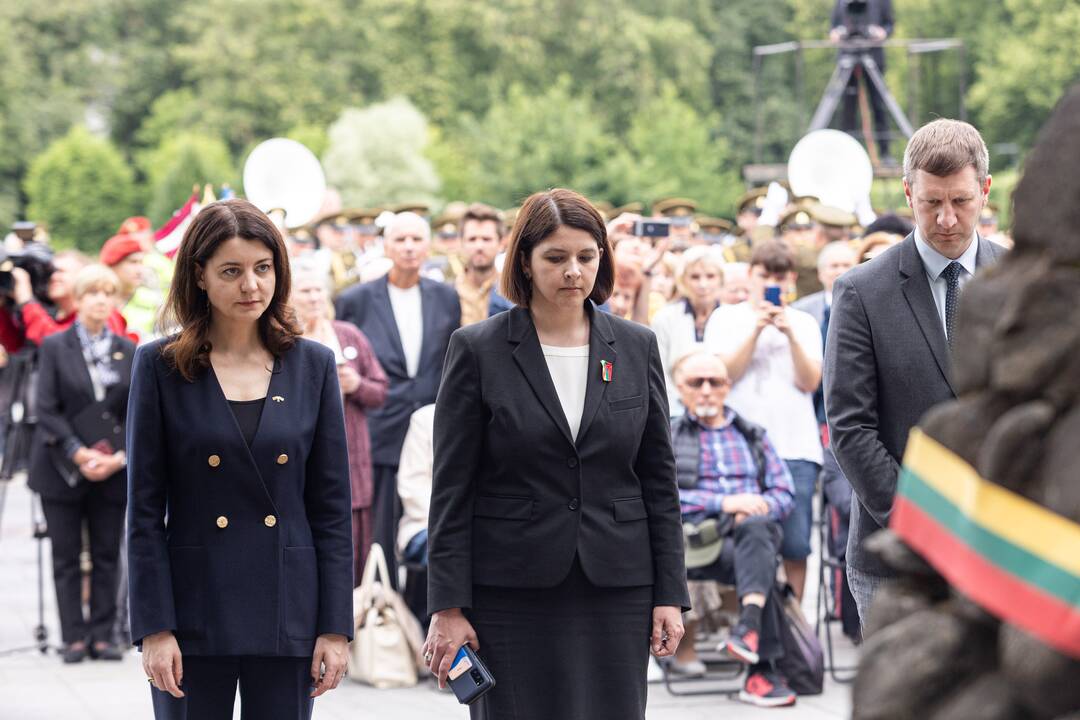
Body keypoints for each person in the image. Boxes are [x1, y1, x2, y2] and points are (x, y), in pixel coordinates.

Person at [423, 188, 690, 720]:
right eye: (555, 258)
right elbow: (451, 490)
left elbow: (659, 479)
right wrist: (447, 606)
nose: (573, 271)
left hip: (617, 583)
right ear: (524, 260)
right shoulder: (477, 349)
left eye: (586, 257)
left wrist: (670, 593)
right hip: (510, 590)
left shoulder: (637, 346)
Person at [126, 199, 353, 719]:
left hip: (287, 608)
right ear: (199, 276)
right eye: (231, 271)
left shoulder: (312, 365)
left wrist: (335, 627)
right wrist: (154, 629)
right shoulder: (159, 367)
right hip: (191, 612)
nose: (251, 285)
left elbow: (332, 509)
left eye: (263, 268)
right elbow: (142, 512)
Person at [824, 119, 1006, 624]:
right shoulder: (862, 291)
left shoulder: (1016, 283)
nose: (946, 219)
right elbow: (850, 428)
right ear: (909, 193)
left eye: (961, 201)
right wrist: (926, 526)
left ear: (985, 191)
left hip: (1004, 548)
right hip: (895, 556)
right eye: (931, 203)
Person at [335, 211, 461, 589]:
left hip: (430, 429)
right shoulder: (356, 299)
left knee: (430, 525)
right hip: (380, 427)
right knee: (380, 534)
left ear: (428, 246)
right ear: (386, 245)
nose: (408, 248)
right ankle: (378, 618)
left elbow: (450, 361)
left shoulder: (445, 297)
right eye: (400, 239)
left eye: (416, 239)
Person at [668, 350, 797, 708]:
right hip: (694, 543)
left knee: (757, 532)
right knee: (762, 561)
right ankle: (762, 672)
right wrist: (725, 503)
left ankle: (748, 629)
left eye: (716, 382)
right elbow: (661, 495)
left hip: (746, 539)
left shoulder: (753, 435)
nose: (707, 390)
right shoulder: (668, 435)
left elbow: (784, 492)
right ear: (681, 389)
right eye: (697, 382)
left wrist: (758, 506)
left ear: (728, 386)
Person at [704, 242, 823, 601]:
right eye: (764, 275)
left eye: (779, 276)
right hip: (739, 447)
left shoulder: (803, 321)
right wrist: (755, 330)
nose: (770, 282)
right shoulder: (726, 317)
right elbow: (723, 375)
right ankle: (749, 618)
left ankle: (794, 623)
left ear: (789, 280)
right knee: (744, 538)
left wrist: (787, 333)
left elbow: (810, 382)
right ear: (751, 275)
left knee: (796, 542)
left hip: (795, 445)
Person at [30, 264, 135, 663]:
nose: (101, 300)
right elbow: (46, 409)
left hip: (112, 470)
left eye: (108, 293)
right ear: (78, 299)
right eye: (92, 292)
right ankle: (73, 636)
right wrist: (78, 451)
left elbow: (134, 411)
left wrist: (118, 456)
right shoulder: (56, 347)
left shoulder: (128, 350)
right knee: (67, 555)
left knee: (108, 553)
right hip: (61, 467)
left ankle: (104, 635)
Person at [291, 264, 388, 584]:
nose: (315, 297)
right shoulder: (284, 341)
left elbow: (380, 391)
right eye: (306, 291)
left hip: (352, 465)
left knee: (353, 557)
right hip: (302, 463)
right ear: (289, 296)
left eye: (319, 289)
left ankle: (352, 625)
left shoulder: (348, 335)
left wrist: (356, 384)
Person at [651, 245, 726, 414]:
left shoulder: (732, 317)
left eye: (710, 276)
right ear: (683, 280)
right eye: (695, 277)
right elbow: (659, 372)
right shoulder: (665, 318)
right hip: (675, 410)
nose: (703, 284)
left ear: (721, 279)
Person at [11, 250, 128, 347]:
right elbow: (14, 346)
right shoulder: (52, 315)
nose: (52, 277)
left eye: (60, 272)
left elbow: (66, 349)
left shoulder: (103, 313)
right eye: (50, 272)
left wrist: (26, 302)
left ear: (84, 277)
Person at [829, 0, 896, 159]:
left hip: (873, 57)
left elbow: (890, 25)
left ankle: (885, 154)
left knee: (879, 105)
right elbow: (833, 26)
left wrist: (882, 33)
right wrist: (835, 33)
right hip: (847, 56)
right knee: (847, 109)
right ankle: (844, 154)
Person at [100, 233, 164, 343]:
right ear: (113, 264)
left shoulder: (152, 299)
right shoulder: (93, 299)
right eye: (133, 262)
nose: (140, 270)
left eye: (141, 262)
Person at [454, 203, 504, 326]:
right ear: (461, 243)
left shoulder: (513, 293)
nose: (479, 246)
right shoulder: (448, 293)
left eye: (486, 239)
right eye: (472, 239)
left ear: (501, 243)